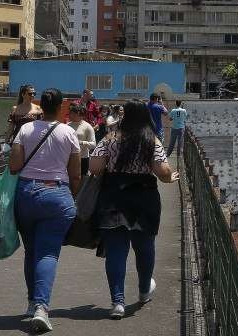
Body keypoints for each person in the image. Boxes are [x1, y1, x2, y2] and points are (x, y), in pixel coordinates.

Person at [90, 100, 179, 319]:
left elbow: (94, 167)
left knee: (116, 251)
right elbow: (163, 171)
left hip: (113, 197)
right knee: (144, 247)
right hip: (144, 198)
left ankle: (117, 302)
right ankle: (143, 292)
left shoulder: (111, 139)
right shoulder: (151, 140)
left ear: (125, 116)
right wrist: (170, 178)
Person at [9, 88, 81, 333]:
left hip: (26, 194)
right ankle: (41, 307)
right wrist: (73, 197)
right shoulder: (68, 132)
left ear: (41, 106)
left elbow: (14, 166)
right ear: (61, 107)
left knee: (31, 251)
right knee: (47, 253)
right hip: (57, 195)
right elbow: (75, 174)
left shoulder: (25, 130)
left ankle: (31, 304)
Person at [68, 103, 96, 176]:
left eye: (73, 114)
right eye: (70, 113)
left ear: (80, 115)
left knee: (81, 180)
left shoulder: (87, 127)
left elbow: (93, 145)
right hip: (68, 157)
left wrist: (81, 142)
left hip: (82, 158)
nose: (70, 115)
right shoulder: (67, 125)